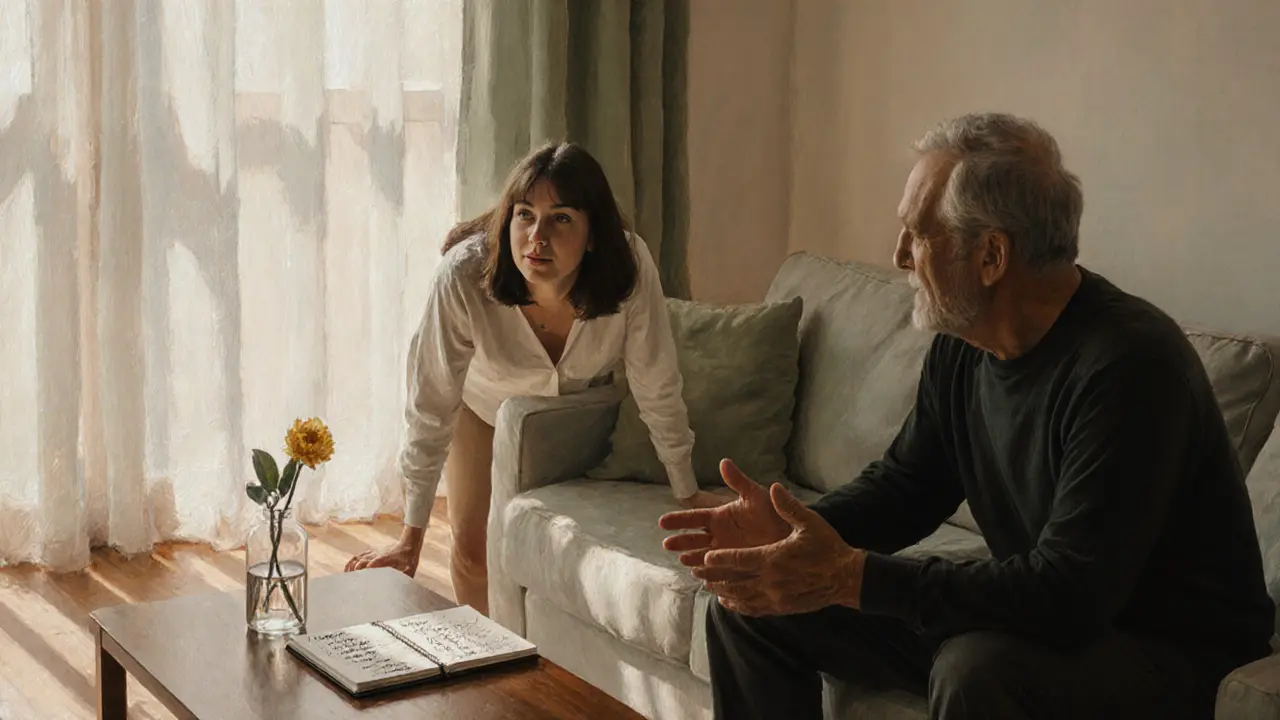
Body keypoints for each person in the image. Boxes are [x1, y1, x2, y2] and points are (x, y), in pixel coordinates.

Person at [659, 112, 1274, 719]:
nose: (899, 254)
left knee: (975, 671)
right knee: (752, 607)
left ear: (991, 256)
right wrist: (795, 536)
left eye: (918, 234)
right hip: (1048, 611)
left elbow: (1071, 594)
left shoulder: (1130, 367)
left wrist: (852, 578)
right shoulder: (966, 343)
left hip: (1170, 648)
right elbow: (909, 487)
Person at [345, 141, 727, 614]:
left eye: (560, 218)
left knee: (555, 550)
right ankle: (483, 655)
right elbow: (432, 403)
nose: (537, 237)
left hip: (570, 414)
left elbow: (656, 380)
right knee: (474, 549)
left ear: (593, 234)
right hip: (482, 407)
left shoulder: (628, 269)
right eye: (525, 215)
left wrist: (686, 490)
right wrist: (411, 538)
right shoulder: (462, 276)